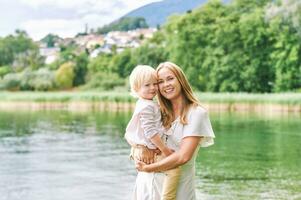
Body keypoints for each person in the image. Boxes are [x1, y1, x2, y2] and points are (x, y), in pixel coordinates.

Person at [136, 62, 215, 200]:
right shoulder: (155, 111)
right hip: (147, 187)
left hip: (178, 191)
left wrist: (149, 167)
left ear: (180, 80)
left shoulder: (196, 113)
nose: (166, 84)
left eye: (170, 78)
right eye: (160, 81)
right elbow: (135, 134)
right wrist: (139, 147)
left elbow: (183, 157)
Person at [125, 65, 181, 200]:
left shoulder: (146, 103)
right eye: (147, 85)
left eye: (155, 83)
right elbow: (150, 132)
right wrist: (165, 150)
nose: (153, 88)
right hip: (153, 149)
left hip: (149, 148)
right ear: (136, 88)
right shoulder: (147, 106)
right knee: (174, 170)